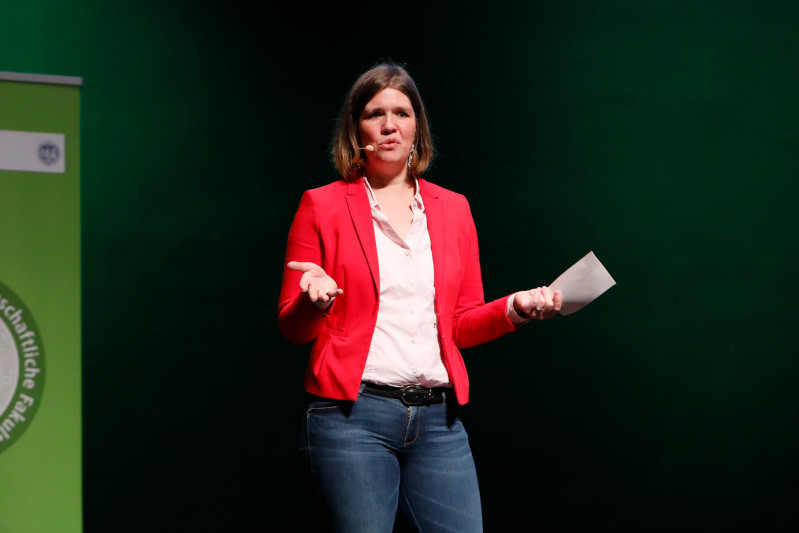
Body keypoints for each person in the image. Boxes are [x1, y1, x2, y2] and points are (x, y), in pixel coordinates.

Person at [278, 61, 562, 533]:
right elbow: (292, 327)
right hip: (353, 419)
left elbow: (462, 324)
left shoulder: (454, 208)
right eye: (375, 113)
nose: (390, 125)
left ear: (417, 127)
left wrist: (516, 307)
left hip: (439, 422)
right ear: (356, 129)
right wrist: (315, 301)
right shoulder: (321, 205)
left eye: (402, 113)